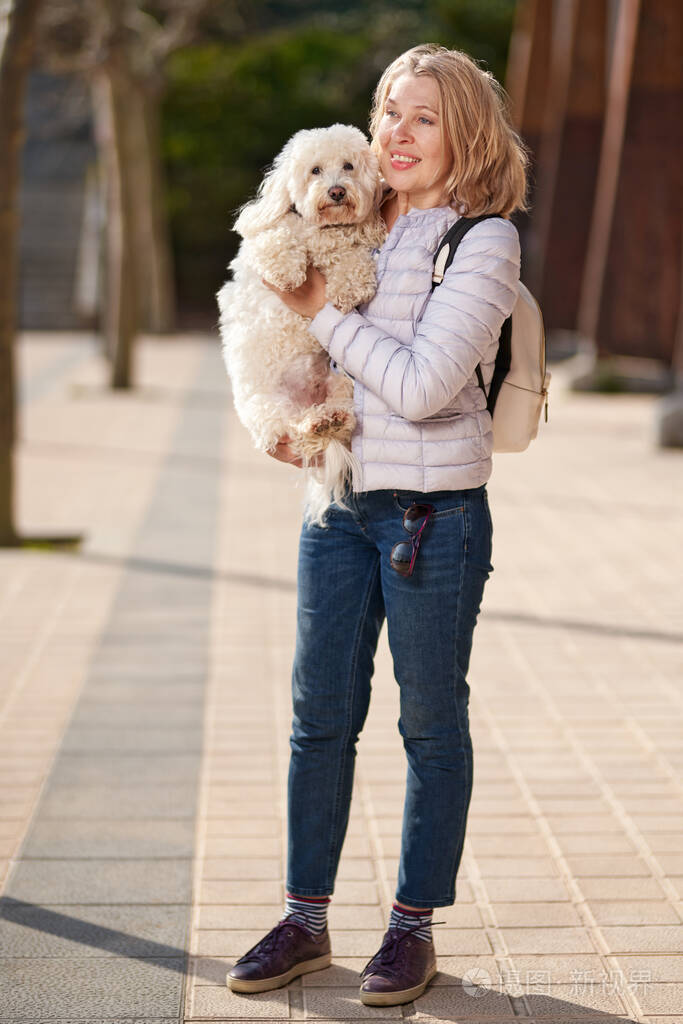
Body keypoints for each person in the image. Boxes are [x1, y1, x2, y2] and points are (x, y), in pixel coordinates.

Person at [227, 43, 528, 1007]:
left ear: (465, 134)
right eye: (390, 111)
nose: (397, 132)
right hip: (337, 506)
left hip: (432, 518)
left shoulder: (481, 242)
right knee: (317, 719)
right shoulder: (354, 210)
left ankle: (410, 929)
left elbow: (424, 384)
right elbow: (258, 317)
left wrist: (319, 311)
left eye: (423, 118)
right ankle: (303, 920)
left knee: (429, 726)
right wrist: (276, 418)